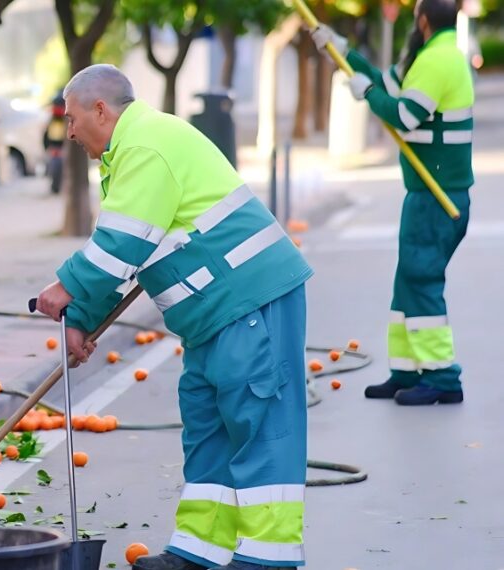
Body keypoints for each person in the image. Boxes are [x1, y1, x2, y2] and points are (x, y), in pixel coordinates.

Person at [34, 64, 311, 570]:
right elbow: (132, 252)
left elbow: (121, 243)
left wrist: (65, 289)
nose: (68, 132)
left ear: (101, 110)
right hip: (211, 315)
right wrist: (82, 317)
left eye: (72, 119)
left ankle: (268, 558)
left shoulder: (146, 146)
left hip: (248, 299)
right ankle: (198, 551)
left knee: (258, 423)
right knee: (208, 426)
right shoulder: (128, 153)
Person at [313, 0, 473, 405]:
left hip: (437, 197)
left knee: (422, 282)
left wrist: (367, 93)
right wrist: (341, 52)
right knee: (408, 285)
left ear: (422, 20)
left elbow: (404, 115)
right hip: (429, 193)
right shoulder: (430, 56)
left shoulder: (438, 61)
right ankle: (406, 371)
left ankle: (442, 378)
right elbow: (386, 83)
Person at [43, 93, 68, 194]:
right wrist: (48, 148)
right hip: (53, 148)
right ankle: (54, 187)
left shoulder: (66, 120)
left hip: (62, 149)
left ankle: (59, 187)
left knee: (60, 167)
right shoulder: (51, 120)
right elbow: (46, 136)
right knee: (53, 167)